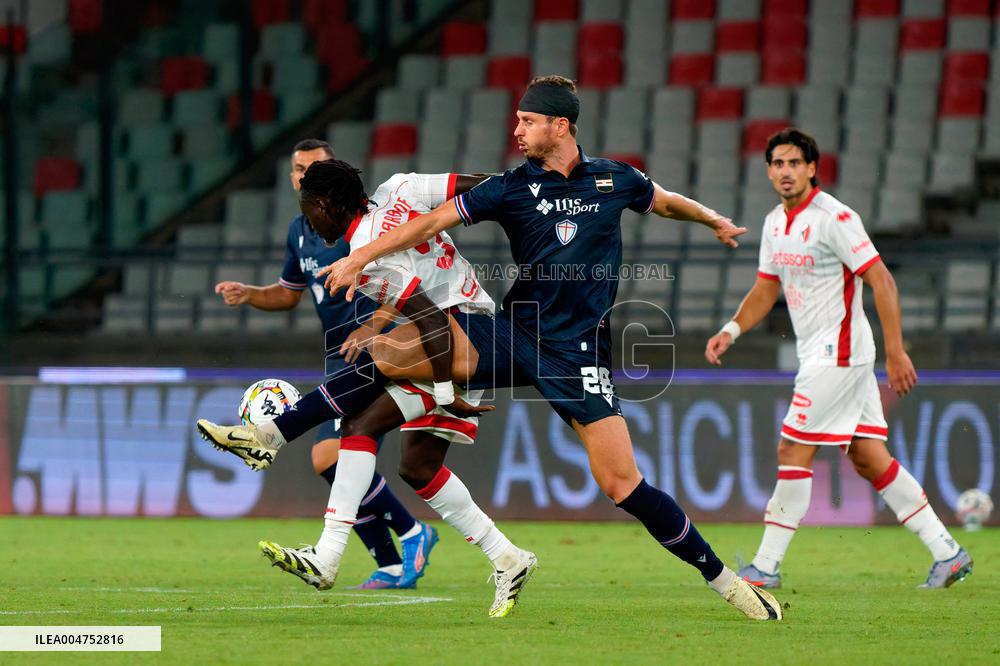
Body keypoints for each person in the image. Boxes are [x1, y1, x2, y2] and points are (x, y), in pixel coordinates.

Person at [318, 75, 783, 621]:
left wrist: (711, 219)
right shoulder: (512, 188)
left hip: (578, 351)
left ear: (560, 126)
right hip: (516, 330)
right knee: (390, 350)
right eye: (518, 120)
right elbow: (431, 221)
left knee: (621, 484)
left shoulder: (615, 179)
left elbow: (663, 201)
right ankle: (288, 430)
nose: (517, 129)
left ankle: (726, 582)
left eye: (528, 121)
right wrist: (357, 258)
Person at [199, 160, 538, 618]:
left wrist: (440, 391)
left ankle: (271, 436)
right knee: (410, 461)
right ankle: (507, 557)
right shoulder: (402, 186)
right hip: (463, 324)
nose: (310, 222)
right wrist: (529, 194)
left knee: (379, 353)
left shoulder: (366, 253)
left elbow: (434, 323)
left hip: (462, 336)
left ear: (323, 204)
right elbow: (481, 187)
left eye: (309, 210)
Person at [703, 127, 972, 589]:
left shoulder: (835, 218)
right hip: (825, 353)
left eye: (794, 163)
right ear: (769, 171)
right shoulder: (774, 223)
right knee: (867, 456)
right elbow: (768, 288)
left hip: (840, 352)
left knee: (792, 448)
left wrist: (896, 350)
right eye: (778, 164)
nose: (786, 172)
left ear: (812, 169)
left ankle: (765, 567)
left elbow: (881, 280)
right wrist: (732, 328)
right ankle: (948, 552)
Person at [212, 139, 435, 590]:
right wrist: (251, 294)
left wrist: (375, 326)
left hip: (381, 347)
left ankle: (411, 534)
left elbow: (401, 279)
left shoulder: (360, 224)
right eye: (297, 168)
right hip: (340, 353)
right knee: (339, 456)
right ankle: (394, 559)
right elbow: (289, 293)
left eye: (313, 167)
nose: (301, 174)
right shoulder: (300, 229)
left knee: (330, 453)